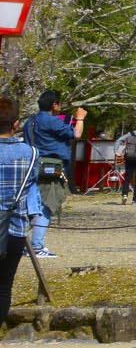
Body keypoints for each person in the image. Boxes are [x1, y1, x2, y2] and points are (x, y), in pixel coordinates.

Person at [24, 90, 81, 260]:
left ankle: (23, 244)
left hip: (33, 164)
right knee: (47, 205)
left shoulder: (30, 122)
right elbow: (76, 134)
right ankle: (36, 246)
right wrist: (81, 119)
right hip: (51, 168)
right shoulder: (52, 121)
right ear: (54, 105)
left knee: (30, 204)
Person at [0, 99, 41, 311]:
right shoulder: (31, 153)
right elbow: (32, 184)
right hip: (14, 227)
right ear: (16, 123)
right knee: (4, 286)